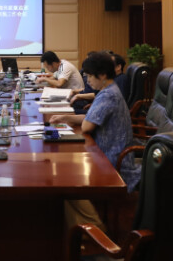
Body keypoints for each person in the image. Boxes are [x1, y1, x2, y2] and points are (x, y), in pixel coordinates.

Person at [50, 52, 141, 230]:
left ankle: (95, 229)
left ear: (103, 75)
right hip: (103, 152)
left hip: (111, 159)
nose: (88, 81)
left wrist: (69, 119)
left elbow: (86, 126)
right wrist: (65, 118)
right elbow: (90, 119)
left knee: (65, 178)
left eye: (90, 76)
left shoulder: (108, 95)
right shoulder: (108, 90)